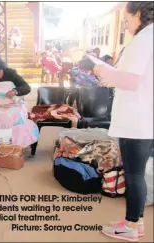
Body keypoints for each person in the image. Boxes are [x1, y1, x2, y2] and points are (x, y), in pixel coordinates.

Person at [93, 2, 153, 242]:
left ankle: (130, 227)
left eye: (127, 19)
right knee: (137, 173)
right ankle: (136, 222)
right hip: (145, 119)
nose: (126, 24)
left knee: (134, 174)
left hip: (136, 120)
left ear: (138, 13)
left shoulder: (143, 39)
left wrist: (101, 71)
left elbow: (130, 81)